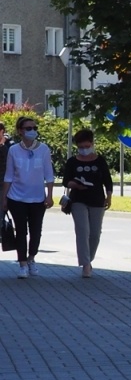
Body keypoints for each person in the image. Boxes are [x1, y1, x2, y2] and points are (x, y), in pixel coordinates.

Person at [3, 116, 54, 276]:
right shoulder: (13, 150)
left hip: (37, 198)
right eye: (28, 128)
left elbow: (49, 174)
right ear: (20, 131)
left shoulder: (44, 149)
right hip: (16, 197)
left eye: (34, 128)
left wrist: (50, 195)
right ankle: (22, 264)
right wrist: (3, 197)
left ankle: (31, 258)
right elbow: (9, 175)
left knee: (36, 231)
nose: (32, 131)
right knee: (21, 231)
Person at [60, 128, 114, 277]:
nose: (84, 150)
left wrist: (108, 196)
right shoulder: (73, 162)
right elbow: (66, 181)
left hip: (97, 200)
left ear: (92, 143)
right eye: (81, 147)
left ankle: (89, 258)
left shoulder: (99, 160)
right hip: (78, 199)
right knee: (82, 231)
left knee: (95, 233)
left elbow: (107, 181)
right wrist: (75, 184)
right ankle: (85, 264)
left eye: (86, 146)